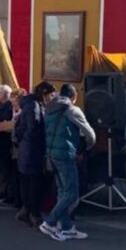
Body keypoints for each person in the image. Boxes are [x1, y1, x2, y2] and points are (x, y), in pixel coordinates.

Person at [39, 83, 96, 241]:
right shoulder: (72, 110)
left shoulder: (49, 108)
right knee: (72, 193)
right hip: (65, 155)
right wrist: (85, 148)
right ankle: (50, 223)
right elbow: (90, 135)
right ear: (74, 97)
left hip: (51, 155)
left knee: (62, 192)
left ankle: (66, 227)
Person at [14, 83, 54, 228]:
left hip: (27, 150)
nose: (52, 97)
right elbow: (33, 128)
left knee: (27, 182)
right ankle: (33, 213)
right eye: (50, 94)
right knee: (34, 183)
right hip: (32, 151)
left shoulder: (31, 104)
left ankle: (26, 211)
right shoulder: (34, 106)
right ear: (44, 93)